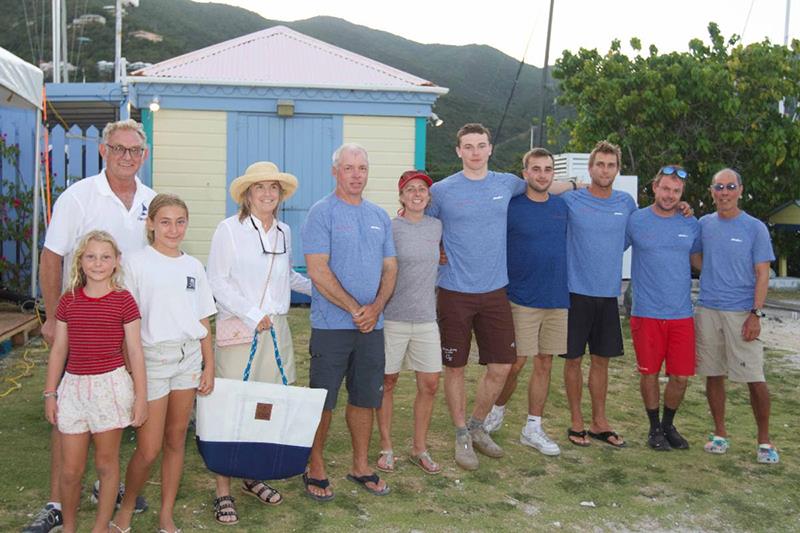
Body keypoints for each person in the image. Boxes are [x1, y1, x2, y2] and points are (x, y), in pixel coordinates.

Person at [28, 119, 155, 533]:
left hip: (127, 326)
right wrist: (50, 317)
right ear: (104, 150)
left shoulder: (151, 203)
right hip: (77, 323)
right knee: (69, 414)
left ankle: (107, 490)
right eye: (118, 149)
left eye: (134, 150)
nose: (126, 157)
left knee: (114, 409)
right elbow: (52, 256)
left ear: (144, 155)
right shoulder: (79, 196)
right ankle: (55, 505)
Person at [206, 161, 312, 523]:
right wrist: (253, 314)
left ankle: (252, 474)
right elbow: (217, 281)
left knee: (266, 405)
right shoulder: (229, 229)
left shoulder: (284, 231)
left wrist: (325, 288)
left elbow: (287, 278)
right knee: (232, 405)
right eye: (260, 188)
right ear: (247, 194)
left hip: (276, 329)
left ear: (280, 195)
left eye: (273, 188)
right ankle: (223, 490)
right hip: (241, 328)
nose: (267, 194)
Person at [426, 123, 531, 470]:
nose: (474, 152)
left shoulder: (506, 183)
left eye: (480, 145)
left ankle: (476, 425)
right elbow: (421, 222)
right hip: (455, 290)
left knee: (502, 365)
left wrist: (578, 185)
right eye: (467, 146)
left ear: (490, 149)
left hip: (495, 290)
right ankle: (460, 434)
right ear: (458, 151)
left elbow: (542, 185)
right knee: (454, 366)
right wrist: (438, 247)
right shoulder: (441, 191)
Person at [111, 194, 217, 533]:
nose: (173, 229)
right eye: (166, 221)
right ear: (151, 224)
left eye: (180, 221)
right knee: (149, 448)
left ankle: (166, 515)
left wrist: (209, 365)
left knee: (175, 441)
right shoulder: (135, 264)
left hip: (188, 360)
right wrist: (132, 370)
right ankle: (126, 509)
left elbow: (202, 320)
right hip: (151, 360)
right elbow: (127, 325)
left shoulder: (194, 267)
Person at [302, 143, 397, 500]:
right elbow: (317, 269)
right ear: (335, 171)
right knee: (323, 400)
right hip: (331, 327)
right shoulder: (321, 213)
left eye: (362, 168)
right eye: (349, 168)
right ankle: (315, 465)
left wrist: (375, 307)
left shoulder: (379, 215)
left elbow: (390, 267)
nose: (356, 175)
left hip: (373, 326)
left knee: (365, 396)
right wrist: (355, 308)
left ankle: (360, 465)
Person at [42, 230, 148, 533]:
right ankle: (70, 527)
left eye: (105, 257)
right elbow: (60, 350)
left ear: (116, 262)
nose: (98, 263)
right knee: (71, 470)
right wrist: (51, 393)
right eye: (91, 256)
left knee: (106, 462)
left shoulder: (124, 301)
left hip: (110, 388)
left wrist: (141, 397)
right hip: (73, 388)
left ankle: (101, 527)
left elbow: (135, 352)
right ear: (80, 261)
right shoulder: (69, 301)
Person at [483, 148, 567, 457]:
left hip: (556, 297)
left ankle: (533, 427)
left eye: (547, 169)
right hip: (520, 298)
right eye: (536, 169)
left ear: (552, 174)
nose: (542, 174)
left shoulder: (562, 207)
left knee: (544, 363)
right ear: (525, 173)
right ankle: (496, 409)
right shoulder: (511, 207)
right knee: (515, 364)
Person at [693, 168, 779, 464]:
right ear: (711, 191)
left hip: (742, 312)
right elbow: (695, 257)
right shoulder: (704, 224)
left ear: (740, 190)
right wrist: (714, 274)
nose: (725, 192)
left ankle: (764, 442)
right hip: (708, 309)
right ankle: (719, 434)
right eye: (719, 187)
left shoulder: (754, 228)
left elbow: (762, 274)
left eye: (730, 186)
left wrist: (755, 313)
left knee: (755, 378)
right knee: (713, 374)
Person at [560, 140, 637, 448]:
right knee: (573, 360)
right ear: (590, 168)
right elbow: (539, 190)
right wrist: (570, 183)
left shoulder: (626, 202)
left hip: (608, 294)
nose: (605, 170)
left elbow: (637, 232)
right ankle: (577, 420)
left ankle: (599, 422)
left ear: (617, 169)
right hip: (574, 291)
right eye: (600, 164)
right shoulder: (572, 200)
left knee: (602, 361)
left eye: (611, 165)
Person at [626, 165, 701, 451]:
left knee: (680, 377)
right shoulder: (636, 221)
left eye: (676, 191)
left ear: (682, 194)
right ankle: (653, 428)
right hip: (646, 312)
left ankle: (668, 425)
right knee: (648, 373)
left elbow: (699, 261)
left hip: (681, 314)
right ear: (655, 187)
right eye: (666, 188)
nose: (670, 195)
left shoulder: (690, 223)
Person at [375, 170, 443, 475]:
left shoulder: (437, 226)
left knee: (429, 384)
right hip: (394, 317)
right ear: (401, 196)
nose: (417, 194)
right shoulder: (390, 228)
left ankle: (419, 448)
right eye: (411, 189)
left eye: (422, 190)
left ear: (429, 198)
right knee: (387, 383)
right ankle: (386, 447)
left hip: (427, 317)